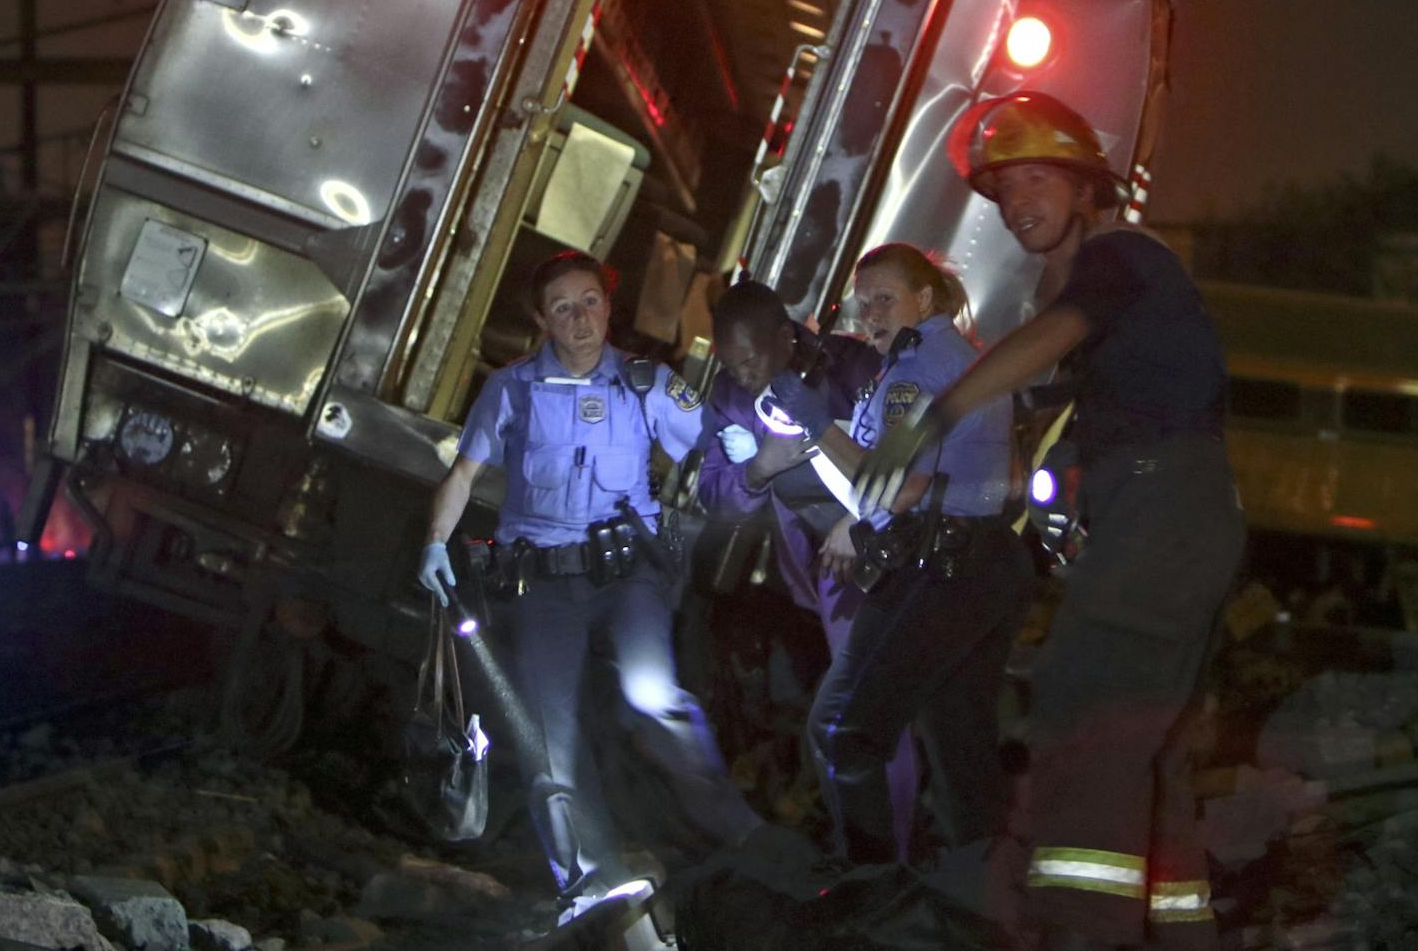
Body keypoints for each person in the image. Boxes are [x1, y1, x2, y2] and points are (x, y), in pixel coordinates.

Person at [854, 92, 1245, 950]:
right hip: (1170, 510)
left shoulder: (1119, 258)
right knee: (1152, 734)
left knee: (1085, 714)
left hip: (1164, 508)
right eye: (1004, 190)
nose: (1018, 201)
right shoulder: (1093, 283)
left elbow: (1060, 334)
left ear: (1085, 188)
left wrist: (939, 412)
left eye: (1037, 179)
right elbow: (1063, 398)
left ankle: (1079, 930)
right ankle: (1178, 931)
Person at [417, 249, 760, 918]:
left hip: (627, 574)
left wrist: (744, 447)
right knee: (549, 737)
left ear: (609, 303)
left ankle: (743, 836)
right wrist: (434, 545)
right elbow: (462, 476)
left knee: (652, 696)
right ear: (543, 320)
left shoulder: (645, 382)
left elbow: (718, 442)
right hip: (545, 583)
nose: (580, 318)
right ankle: (591, 881)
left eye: (590, 301)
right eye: (563, 308)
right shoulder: (512, 388)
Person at [788, 243, 1028, 867]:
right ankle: (982, 901)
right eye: (863, 303)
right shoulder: (925, 360)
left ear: (924, 299)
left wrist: (813, 423)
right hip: (977, 565)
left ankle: (871, 891)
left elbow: (896, 481)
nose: (871, 314)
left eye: (885, 300)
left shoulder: (923, 367)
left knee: (843, 729)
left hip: (940, 569)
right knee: (961, 748)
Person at [699, 278, 917, 856]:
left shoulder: (852, 366)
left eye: (750, 359)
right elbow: (715, 494)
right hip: (833, 572)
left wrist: (862, 518)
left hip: (902, 548)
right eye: (732, 363)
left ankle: (902, 850)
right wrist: (757, 470)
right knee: (854, 710)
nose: (743, 374)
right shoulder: (730, 397)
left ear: (786, 334)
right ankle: (874, 852)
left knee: (883, 708)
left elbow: (917, 447)